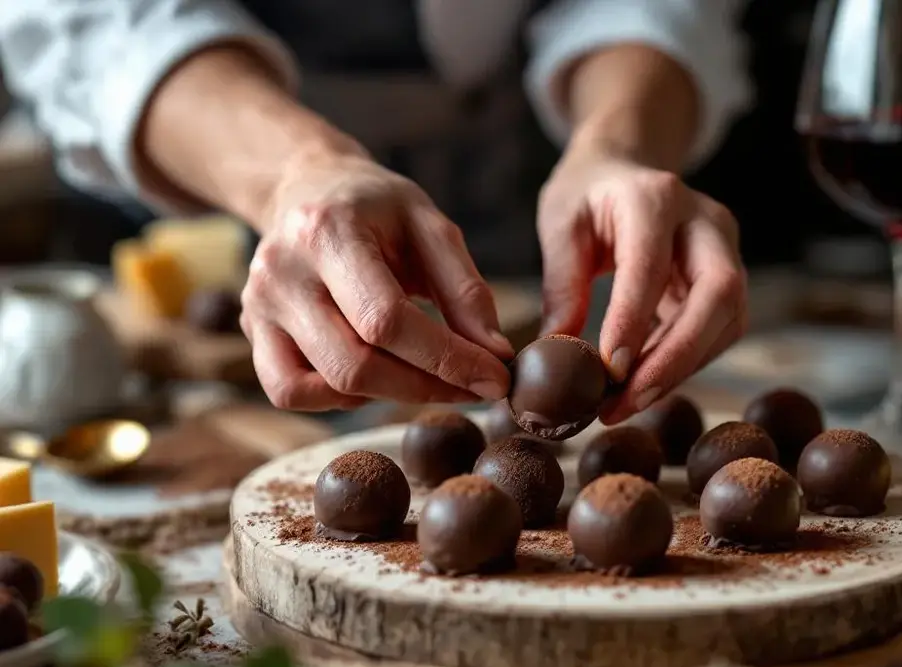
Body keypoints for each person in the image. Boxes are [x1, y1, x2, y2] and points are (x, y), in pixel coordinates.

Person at [0, 0, 752, 424]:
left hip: (514, 191)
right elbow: (93, 17)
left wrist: (619, 144)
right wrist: (298, 172)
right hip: (206, 176)